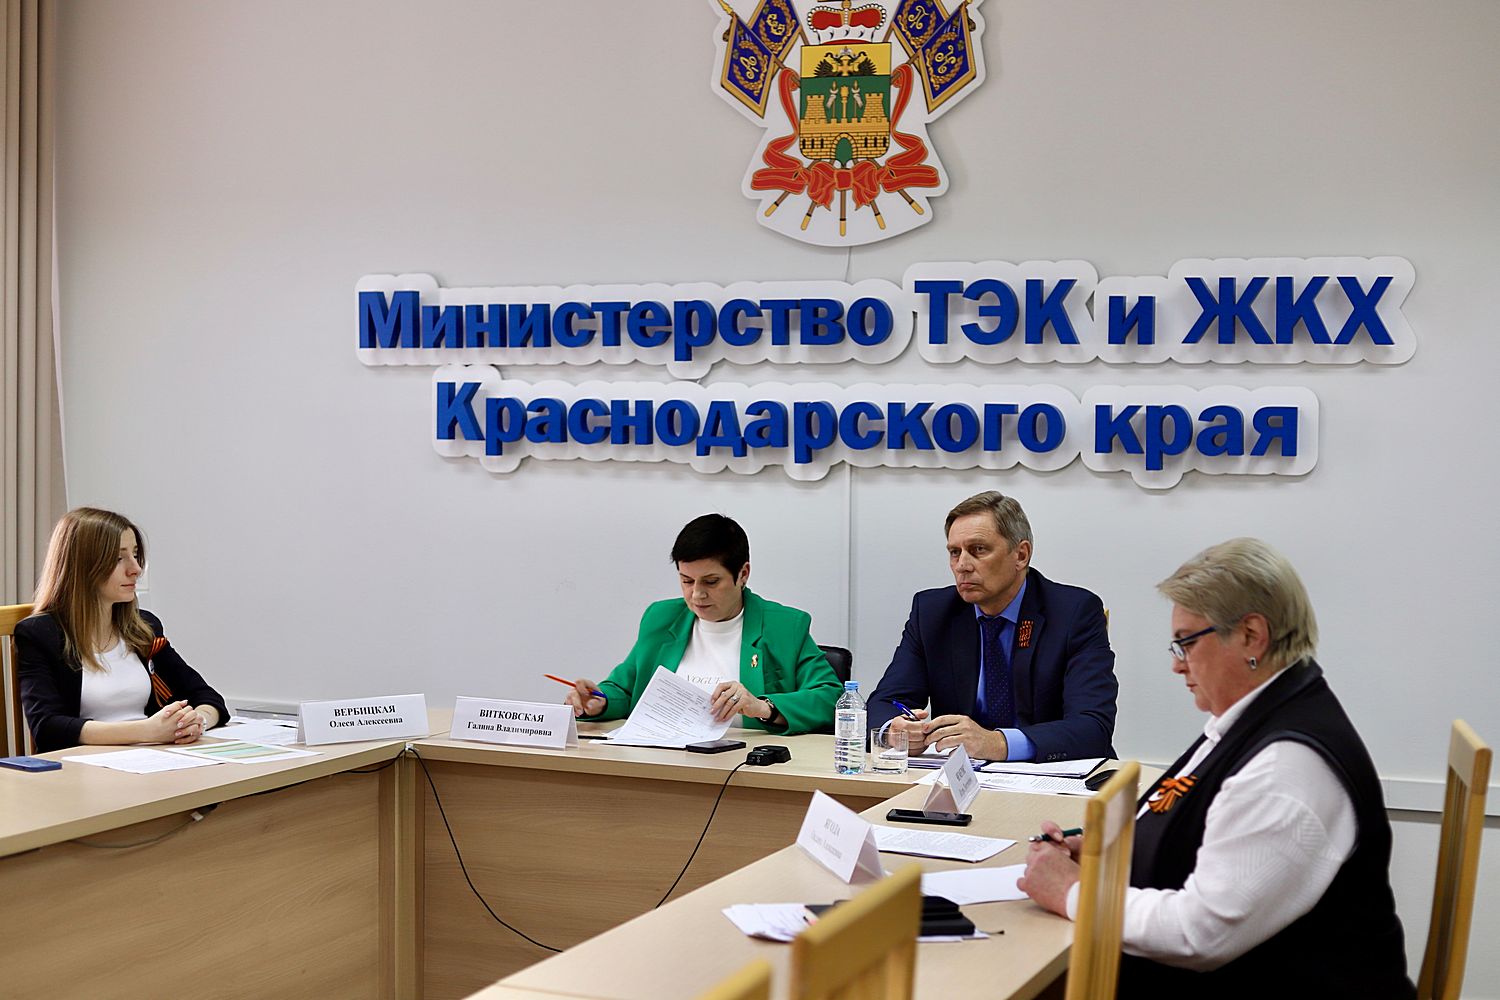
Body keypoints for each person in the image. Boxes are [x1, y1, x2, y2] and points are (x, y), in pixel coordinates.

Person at [1018, 538, 1415, 997]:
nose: (1177, 665)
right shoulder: (1255, 716)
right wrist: (1108, 851)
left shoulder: (1284, 769)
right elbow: (1188, 818)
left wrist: (1072, 892)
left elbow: (1200, 934)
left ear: (1251, 636)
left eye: (1186, 643)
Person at [867, 491, 1117, 762]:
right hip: (962, 777)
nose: (962, 565)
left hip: (1052, 775)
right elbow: (884, 703)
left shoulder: (1073, 613)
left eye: (978, 550)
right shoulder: (932, 612)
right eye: (954, 552)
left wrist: (998, 743)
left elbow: (1093, 727)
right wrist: (893, 731)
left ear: (1021, 555)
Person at [563, 513, 841, 735]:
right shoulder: (661, 618)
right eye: (686, 580)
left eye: (711, 582)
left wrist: (762, 707)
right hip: (661, 758)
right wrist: (600, 701)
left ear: (743, 574)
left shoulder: (785, 625)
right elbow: (625, 689)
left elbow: (831, 697)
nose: (696, 594)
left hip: (744, 765)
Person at [17, 507, 229, 753]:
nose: (136, 569)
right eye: (119, 558)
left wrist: (197, 722)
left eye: (135, 555)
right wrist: (147, 731)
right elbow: (47, 728)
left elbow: (208, 698)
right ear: (81, 565)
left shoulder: (144, 628)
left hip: (152, 757)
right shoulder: (39, 634)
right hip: (87, 765)